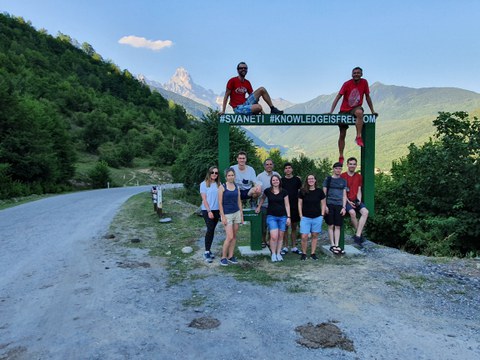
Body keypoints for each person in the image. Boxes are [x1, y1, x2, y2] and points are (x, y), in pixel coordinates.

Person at [329, 67, 378, 164]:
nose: (356, 74)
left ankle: (358, 136)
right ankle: (341, 155)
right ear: (352, 74)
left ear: (361, 74)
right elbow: (338, 97)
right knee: (342, 134)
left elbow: (367, 97)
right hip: (344, 110)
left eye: (358, 73)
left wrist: (372, 111)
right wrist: (331, 111)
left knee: (360, 113)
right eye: (354, 73)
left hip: (355, 108)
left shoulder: (364, 82)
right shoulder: (347, 84)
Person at [255, 175, 291, 262]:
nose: (275, 181)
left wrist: (288, 217)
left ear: (279, 181)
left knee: (280, 236)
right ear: (271, 182)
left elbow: (287, 204)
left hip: (282, 216)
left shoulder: (284, 192)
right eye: (273, 180)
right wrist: (259, 207)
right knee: (274, 236)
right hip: (271, 216)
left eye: (277, 180)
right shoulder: (268, 191)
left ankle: (278, 253)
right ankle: (273, 253)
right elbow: (262, 199)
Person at [341, 157, 369, 246]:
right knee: (352, 213)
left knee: (365, 212)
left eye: (354, 164)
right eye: (350, 164)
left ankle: (357, 235)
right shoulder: (343, 176)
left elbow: (359, 189)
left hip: (355, 199)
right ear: (347, 165)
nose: (352, 166)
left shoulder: (359, 176)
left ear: (356, 165)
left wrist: (359, 200)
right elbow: (342, 191)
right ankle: (360, 235)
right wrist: (348, 201)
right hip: (346, 200)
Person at [218, 167, 244, 266]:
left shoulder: (237, 186)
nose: (231, 177)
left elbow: (239, 201)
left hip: (236, 213)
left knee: (234, 237)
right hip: (227, 214)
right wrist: (222, 216)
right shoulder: (222, 187)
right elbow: (220, 203)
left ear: (234, 176)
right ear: (226, 177)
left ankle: (230, 256)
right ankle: (223, 257)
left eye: (232, 175)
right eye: (229, 175)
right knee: (229, 236)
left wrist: (241, 215)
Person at [298, 174, 326, 261]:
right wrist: (301, 215)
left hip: (317, 217)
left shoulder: (319, 191)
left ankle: (313, 253)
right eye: (309, 179)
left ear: (315, 180)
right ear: (307, 181)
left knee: (314, 235)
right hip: (305, 217)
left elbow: (323, 203)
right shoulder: (302, 191)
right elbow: (299, 204)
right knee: (304, 236)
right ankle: (304, 253)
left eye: (312, 179)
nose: (311, 180)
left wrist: (322, 215)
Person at [323, 162, 348, 255]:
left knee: (338, 225)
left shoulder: (343, 181)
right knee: (331, 225)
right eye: (337, 168)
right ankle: (332, 244)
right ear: (333, 169)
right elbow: (324, 194)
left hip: (339, 205)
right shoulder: (328, 179)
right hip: (329, 204)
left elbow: (344, 195)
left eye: (340, 169)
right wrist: (324, 206)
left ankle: (337, 245)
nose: (338, 170)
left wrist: (344, 207)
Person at [256, 159, 280, 246]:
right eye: (267, 164)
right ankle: (263, 241)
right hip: (263, 204)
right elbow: (257, 190)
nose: (269, 166)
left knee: (272, 225)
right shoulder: (259, 176)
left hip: (275, 205)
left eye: (270, 164)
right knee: (263, 225)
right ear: (264, 166)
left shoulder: (277, 175)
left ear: (273, 165)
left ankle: (271, 241)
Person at [199, 166, 221, 263]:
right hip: (207, 210)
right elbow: (204, 199)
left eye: (216, 173)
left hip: (217, 210)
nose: (214, 174)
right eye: (212, 172)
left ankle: (209, 249)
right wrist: (209, 211)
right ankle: (206, 251)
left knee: (212, 230)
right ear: (209, 173)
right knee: (210, 229)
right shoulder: (204, 184)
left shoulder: (219, 184)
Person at [281, 162, 302, 255]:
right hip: (284, 206)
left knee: (294, 227)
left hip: (295, 206)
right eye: (286, 168)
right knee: (285, 228)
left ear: (292, 169)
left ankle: (294, 247)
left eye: (289, 168)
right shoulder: (281, 180)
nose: (288, 169)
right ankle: (285, 247)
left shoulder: (297, 180)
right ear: (284, 170)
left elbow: (300, 192)